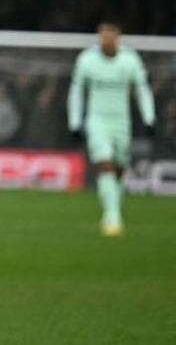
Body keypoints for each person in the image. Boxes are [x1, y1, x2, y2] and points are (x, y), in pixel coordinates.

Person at [67, 20, 156, 237]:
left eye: (111, 35)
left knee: (119, 169)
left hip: (121, 122)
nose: (106, 39)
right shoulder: (87, 60)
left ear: (118, 37)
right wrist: (75, 122)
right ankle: (112, 217)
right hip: (97, 121)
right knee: (104, 163)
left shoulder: (130, 60)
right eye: (103, 35)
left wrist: (149, 117)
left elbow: (142, 89)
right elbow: (77, 91)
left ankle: (113, 211)